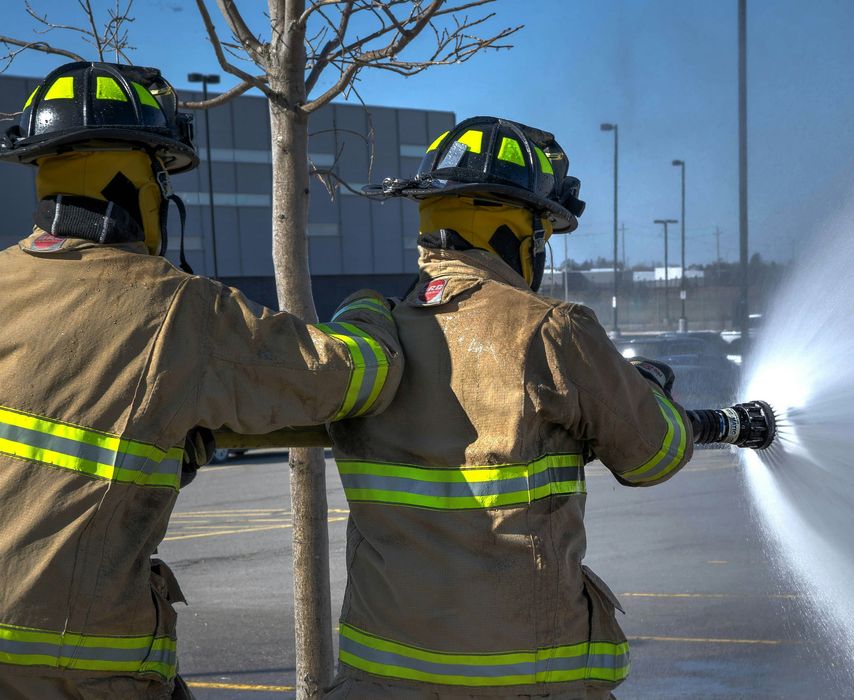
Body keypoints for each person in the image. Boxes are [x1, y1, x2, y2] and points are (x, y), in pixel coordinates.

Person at [0, 61, 402, 699]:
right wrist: (371, 311)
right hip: (76, 668)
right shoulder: (178, 310)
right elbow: (348, 379)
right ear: (148, 183)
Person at [324, 116, 693, 699]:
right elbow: (656, 455)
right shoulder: (549, 332)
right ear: (516, 236)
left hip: (379, 680)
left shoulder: (374, 336)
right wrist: (646, 393)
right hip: (525, 681)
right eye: (539, 237)